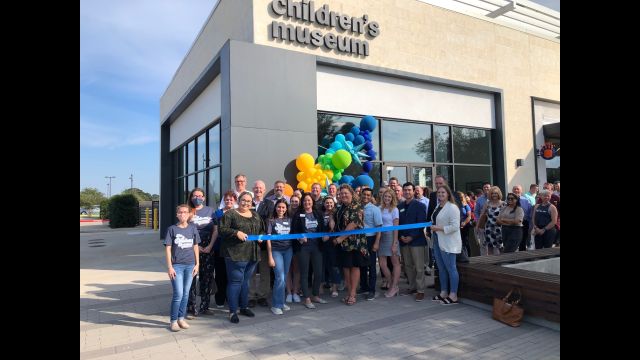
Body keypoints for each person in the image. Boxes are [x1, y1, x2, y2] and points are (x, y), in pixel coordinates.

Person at [219, 191, 264, 324]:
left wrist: (261, 236)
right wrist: (236, 232)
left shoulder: (255, 215)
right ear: (238, 200)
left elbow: (262, 229)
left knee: (246, 282)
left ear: (252, 203)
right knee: (235, 282)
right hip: (235, 254)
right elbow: (221, 229)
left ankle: (244, 307)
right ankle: (233, 311)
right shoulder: (230, 214)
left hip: (252, 254)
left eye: (249, 201)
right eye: (243, 200)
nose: (246, 203)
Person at [164, 204, 200, 332]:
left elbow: (196, 246)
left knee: (185, 294)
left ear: (189, 214)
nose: (183, 214)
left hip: (190, 265)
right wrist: (170, 267)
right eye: (180, 212)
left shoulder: (192, 228)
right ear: (177, 214)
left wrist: (197, 264)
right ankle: (173, 321)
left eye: (185, 212)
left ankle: (181, 318)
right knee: (178, 294)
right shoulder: (172, 229)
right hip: (177, 266)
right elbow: (168, 248)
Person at [291, 193, 328, 309]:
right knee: (305, 273)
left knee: (318, 272)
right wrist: (299, 238)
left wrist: (325, 236)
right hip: (303, 247)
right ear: (302, 202)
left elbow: (323, 228)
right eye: (305, 201)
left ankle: (315, 295)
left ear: (312, 202)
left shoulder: (318, 214)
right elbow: (293, 231)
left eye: (309, 200)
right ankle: (307, 298)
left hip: (317, 246)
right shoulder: (298, 215)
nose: (307, 203)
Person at [333, 184, 369, 306]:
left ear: (351, 193)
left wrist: (340, 238)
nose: (343, 195)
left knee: (354, 267)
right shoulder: (340, 207)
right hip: (343, 244)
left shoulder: (357, 206)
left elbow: (353, 223)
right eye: (341, 193)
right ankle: (349, 293)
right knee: (346, 268)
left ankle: (353, 294)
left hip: (355, 243)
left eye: (345, 193)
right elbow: (336, 219)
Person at [186, 188, 217, 319]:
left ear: (204, 198)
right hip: (192, 248)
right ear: (191, 197)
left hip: (208, 248)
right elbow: (183, 230)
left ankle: (205, 306)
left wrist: (210, 246)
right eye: (195, 196)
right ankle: (191, 307)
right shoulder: (187, 211)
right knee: (191, 278)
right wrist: (195, 246)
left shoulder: (211, 211)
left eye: (200, 196)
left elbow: (215, 230)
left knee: (207, 278)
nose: (197, 198)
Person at [429, 185, 462, 305]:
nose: (441, 194)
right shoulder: (438, 206)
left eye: (443, 192)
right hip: (438, 240)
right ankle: (444, 292)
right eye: (439, 193)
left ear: (448, 194)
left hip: (449, 242)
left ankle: (453, 295)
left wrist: (438, 228)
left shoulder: (452, 207)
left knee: (451, 268)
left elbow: (455, 226)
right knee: (441, 268)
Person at [398, 182, 428, 301]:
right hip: (403, 241)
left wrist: (411, 236)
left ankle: (420, 290)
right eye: (405, 190)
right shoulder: (399, 206)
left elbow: (420, 224)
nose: (407, 192)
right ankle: (412, 286)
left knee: (419, 267)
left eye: (409, 190)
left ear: (413, 191)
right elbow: (397, 224)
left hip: (417, 241)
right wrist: (401, 236)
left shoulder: (420, 206)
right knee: (408, 266)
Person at [266, 199, 293, 315]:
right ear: (275, 208)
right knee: (279, 277)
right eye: (279, 207)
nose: (281, 209)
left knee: (284, 276)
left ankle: (281, 302)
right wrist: (270, 256)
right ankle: (276, 305)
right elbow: (268, 239)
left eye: (283, 207)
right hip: (276, 251)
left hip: (288, 250)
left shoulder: (290, 220)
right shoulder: (271, 221)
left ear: (286, 209)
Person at [212, 191, 236, 309]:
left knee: (231, 275)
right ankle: (220, 298)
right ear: (223, 200)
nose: (229, 201)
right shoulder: (217, 213)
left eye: (231, 199)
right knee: (220, 274)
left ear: (234, 201)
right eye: (227, 199)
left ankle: (229, 297)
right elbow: (215, 230)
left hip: (233, 249)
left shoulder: (238, 213)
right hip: (219, 248)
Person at [359, 187, 382, 300]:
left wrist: (376, 243)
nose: (366, 197)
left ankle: (372, 290)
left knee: (371, 265)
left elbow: (379, 227)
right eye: (364, 194)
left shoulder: (375, 209)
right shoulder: (357, 208)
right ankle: (364, 286)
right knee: (361, 264)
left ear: (371, 196)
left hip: (371, 239)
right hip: (360, 240)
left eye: (368, 195)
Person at [378, 188, 401, 298]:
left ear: (392, 198)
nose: (387, 198)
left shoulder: (394, 210)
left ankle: (394, 287)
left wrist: (395, 243)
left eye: (389, 197)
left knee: (395, 262)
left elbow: (396, 228)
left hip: (391, 236)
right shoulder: (379, 208)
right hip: (381, 237)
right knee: (382, 264)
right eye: (385, 196)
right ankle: (392, 284)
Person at [321, 196, 341, 297]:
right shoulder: (320, 214)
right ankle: (321, 286)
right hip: (322, 244)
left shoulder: (336, 213)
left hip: (333, 243)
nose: (329, 204)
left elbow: (333, 228)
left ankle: (334, 288)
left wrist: (331, 217)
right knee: (322, 265)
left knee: (334, 265)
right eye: (327, 203)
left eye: (331, 203)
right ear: (324, 204)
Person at [285, 193, 302, 303]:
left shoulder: (302, 213)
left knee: (296, 269)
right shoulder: (286, 213)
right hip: (286, 244)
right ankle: (289, 293)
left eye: (296, 201)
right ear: (290, 202)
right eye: (293, 201)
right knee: (287, 270)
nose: (294, 203)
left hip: (298, 245)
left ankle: (295, 292)